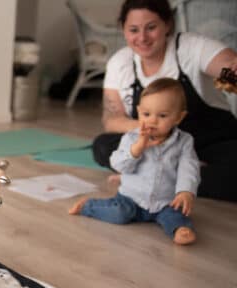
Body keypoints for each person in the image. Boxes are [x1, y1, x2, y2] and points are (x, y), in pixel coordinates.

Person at [91, 0, 237, 202]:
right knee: (102, 146)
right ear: (124, 30)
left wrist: (232, 73)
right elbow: (111, 120)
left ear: (167, 24)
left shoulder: (191, 46)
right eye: (133, 30)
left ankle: (155, 177)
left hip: (212, 142)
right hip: (157, 146)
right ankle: (184, 175)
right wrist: (152, 129)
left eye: (151, 28)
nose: (142, 38)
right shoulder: (120, 62)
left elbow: (228, 69)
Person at [71, 78, 200, 245]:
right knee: (119, 214)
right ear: (139, 112)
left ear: (178, 117)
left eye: (162, 115)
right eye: (146, 114)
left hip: (165, 201)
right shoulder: (131, 137)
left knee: (176, 215)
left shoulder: (184, 141)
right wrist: (137, 149)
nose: (152, 121)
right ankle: (89, 206)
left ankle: (180, 229)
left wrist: (186, 191)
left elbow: (189, 168)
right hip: (131, 198)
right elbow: (117, 164)